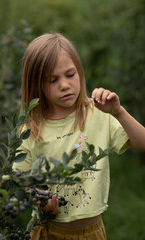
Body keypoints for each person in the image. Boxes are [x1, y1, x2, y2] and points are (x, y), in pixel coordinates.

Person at [13, 33, 145, 240]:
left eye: (70, 74)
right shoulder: (30, 129)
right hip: (46, 232)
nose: (65, 85)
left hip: (92, 232)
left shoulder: (98, 114)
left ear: (80, 72)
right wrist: (41, 200)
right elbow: (19, 182)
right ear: (37, 84)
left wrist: (119, 112)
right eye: (53, 80)